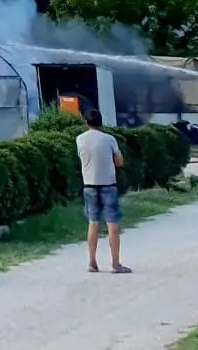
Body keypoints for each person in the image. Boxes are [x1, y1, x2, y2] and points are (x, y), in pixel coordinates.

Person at [76, 108, 129, 274]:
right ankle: (115, 264)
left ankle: (92, 262)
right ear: (101, 122)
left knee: (93, 223)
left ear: (86, 122)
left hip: (89, 185)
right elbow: (119, 161)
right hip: (108, 185)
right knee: (113, 226)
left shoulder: (80, 139)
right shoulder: (109, 139)